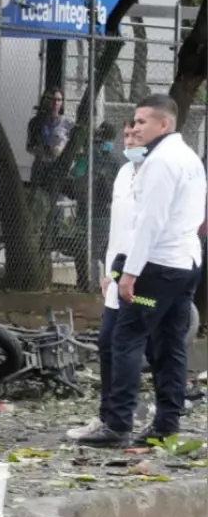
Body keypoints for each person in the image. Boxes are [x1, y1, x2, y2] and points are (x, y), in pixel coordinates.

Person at [79, 94, 206, 448]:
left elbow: (151, 222)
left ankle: (118, 423)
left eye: (141, 122)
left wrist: (130, 273)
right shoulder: (187, 158)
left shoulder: (161, 162)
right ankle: (166, 425)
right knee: (169, 344)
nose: (134, 129)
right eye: (133, 123)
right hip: (183, 264)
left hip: (156, 268)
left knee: (126, 338)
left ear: (163, 124)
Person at [67, 120, 151, 440]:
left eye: (135, 134)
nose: (129, 139)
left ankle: (131, 419)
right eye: (126, 135)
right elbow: (119, 230)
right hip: (118, 274)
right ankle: (109, 417)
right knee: (108, 343)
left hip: (146, 277)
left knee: (141, 346)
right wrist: (109, 273)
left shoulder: (158, 173)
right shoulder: (122, 174)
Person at [26, 87, 73, 192]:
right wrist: (41, 150)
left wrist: (60, 150)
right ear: (45, 100)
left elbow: (73, 147)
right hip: (40, 167)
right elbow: (29, 147)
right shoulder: (35, 122)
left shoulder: (68, 123)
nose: (55, 103)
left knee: (53, 200)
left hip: (58, 168)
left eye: (58, 100)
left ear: (62, 102)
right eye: (51, 99)